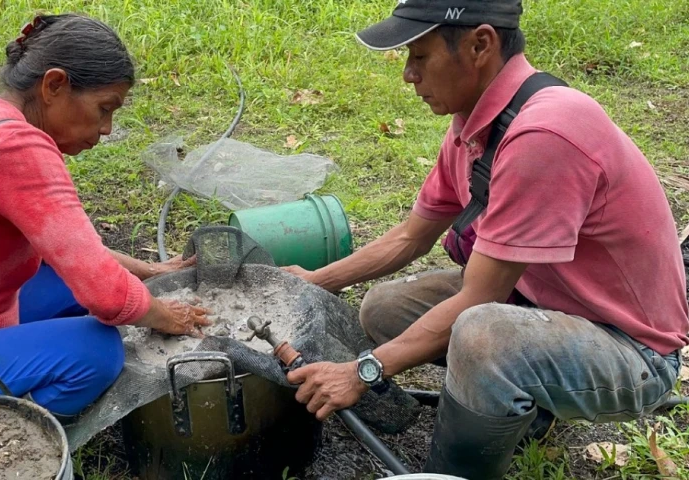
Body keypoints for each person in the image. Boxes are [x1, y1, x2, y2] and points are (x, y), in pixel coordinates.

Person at [283, 0, 688, 477]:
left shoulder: (543, 134)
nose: (409, 76)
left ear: (480, 44)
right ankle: (527, 409)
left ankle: (452, 473)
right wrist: (314, 280)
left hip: (630, 349)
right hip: (546, 305)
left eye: (420, 56)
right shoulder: (475, 124)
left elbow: (481, 298)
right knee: (384, 309)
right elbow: (410, 237)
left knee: (483, 335)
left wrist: (363, 371)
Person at [0, 14, 210, 420]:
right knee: (95, 352)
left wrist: (146, 270)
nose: (107, 129)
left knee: (64, 280)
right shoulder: (15, 146)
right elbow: (107, 296)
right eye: (103, 109)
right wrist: (168, 315)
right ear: (54, 85)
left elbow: (73, 252)